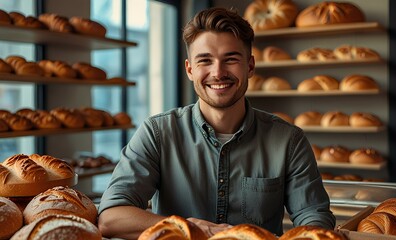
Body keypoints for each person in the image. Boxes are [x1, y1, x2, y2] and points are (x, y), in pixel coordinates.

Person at [97, 7, 336, 239]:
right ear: (190, 69)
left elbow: (315, 219)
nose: (218, 72)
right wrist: (190, 227)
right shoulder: (157, 133)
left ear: (250, 66)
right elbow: (111, 218)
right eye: (205, 61)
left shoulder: (289, 140)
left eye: (230, 59)